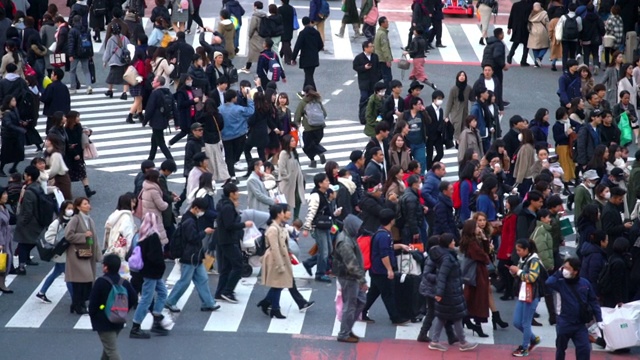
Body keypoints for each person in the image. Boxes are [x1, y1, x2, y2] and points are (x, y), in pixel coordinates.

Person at [164, 198, 220, 314]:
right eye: (201, 210)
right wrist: (205, 232)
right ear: (195, 208)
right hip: (190, 256)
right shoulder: (190, 221)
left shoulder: (190, 218)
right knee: (185, 281)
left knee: (202, 279)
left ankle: (208, 303)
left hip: (195, 256)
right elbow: (192, 238)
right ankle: (170, 301)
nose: (202, 212)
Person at [427, 234, 478, 352]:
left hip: (449, 290)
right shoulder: (447, 258)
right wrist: (439, 293)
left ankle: (435, 341)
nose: (454, 242)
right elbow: (442, 276)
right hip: (450, 291)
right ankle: (463, 342)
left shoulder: (443, 255)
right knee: (457, 317)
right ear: (449, 243)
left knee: (442, 317)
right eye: (453, 241)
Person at [545, 257, 603, 360]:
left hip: (580, 324)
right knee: (560, 349)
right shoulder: (560, 283)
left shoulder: (585, 284)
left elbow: (593, 301)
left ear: (575, 271)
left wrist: (599, 319)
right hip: (564, 322)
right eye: (563, 268)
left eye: (567, 268)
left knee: (584, 349)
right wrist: (558, 272)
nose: (564, 271)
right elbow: (549, 282)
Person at [361, 208, 411, 325]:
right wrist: (389, 270)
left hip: (376, 269)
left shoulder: (381, 232)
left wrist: (400, 246)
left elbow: (387, 248)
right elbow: (384, 254)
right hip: (381, 270)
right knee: (388, 294)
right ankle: (395, 317)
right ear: (391, 221)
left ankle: (362, 311)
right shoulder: (384, 236)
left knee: (374, 292)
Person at [128, 212, 172, 339]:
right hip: (152, 273)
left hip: (150, 272)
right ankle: (136, 326)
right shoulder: (153, 237)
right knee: (146, 299)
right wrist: (161, 265)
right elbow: (154, 257)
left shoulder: (142, 235)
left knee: (163, 293)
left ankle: (157, 318)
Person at [88, 254, 138, 359]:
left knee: (111, 350)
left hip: (103, 321)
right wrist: (122, 309)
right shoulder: (124, 282)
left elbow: (93, 304)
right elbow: (134, 298)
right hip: (118, 319)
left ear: (106, 267)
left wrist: (95, 314)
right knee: (108, 348)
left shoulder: (101, 282)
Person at [215, 182, 254, 303]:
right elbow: (229, 225)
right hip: (229, 240)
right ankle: (228, 291)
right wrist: (244, 224)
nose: (238, 194)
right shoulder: (228, 207)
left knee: (226, 267)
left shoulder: (224, 203)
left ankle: (220, 292)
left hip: (224, 239)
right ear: (231, 194)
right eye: (236, 192)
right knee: (238, 266)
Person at [332, 214, 367, 343]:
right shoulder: (345, 242)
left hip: (352, 277)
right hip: (349, 277)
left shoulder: (349, 237)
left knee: (360, 301)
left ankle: (347, 329)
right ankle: (344, 333)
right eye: (357, 227)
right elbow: (351, 264)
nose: (359, 230)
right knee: (350, 305)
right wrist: (362, 280)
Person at [65, 197, 102, 315]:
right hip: (76, 254)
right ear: (78, 207)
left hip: (86, 253)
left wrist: (97, 253)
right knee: (82, 280)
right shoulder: (75, 219)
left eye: (88, 203)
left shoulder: (89, 219)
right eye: (85, 204)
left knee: (85, 280)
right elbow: (68, 235)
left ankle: (77, 304)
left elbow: (94, 238)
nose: (88, 206)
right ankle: (78, 304)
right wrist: (83, 235)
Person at [255, 204, 292, 319]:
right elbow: (275, 248)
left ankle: (268, 303)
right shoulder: (273, 229)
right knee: (278, 284)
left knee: (279, 285)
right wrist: (280, 265)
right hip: (275, 259)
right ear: (278, 214)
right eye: (283, 212)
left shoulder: (280, 226)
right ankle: (274, 308)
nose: (285, 213)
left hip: (282, 258)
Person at [508, 239, 543, 357]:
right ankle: (533, 339)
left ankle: (525, 347)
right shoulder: (523, 259)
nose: (517, 252)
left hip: (532, 295)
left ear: (526, 250)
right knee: (517, 322)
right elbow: (521, 273)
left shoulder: (534, 261)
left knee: (525, 322)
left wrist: (518, 271)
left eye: (519, 250)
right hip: (523, 294)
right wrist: (514, 272)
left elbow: (532, 278)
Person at [36, 200, 75, 303]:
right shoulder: (57, 222)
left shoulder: (72, 220)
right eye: (68, 208)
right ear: (63, 210)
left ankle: (41, 292)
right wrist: (60, 243)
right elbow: (48, 237)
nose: (71, 210)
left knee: (55, 273)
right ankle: (74, 300)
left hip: (65, 254)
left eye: (72, 208)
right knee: (69, 277)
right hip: (60, 254)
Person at [13, 166, 47, 275]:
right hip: (39, 220)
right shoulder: (38, 187)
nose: (24, 175)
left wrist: (21, 223)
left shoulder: (28, 191)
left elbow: (28, 211)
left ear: (29, 176)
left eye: (25, 174)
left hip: (30, 223)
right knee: (31, 242)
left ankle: (21, 267)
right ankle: (27, 259)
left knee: (23, 244)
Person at [301, 173, 336, 282]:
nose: (328, 182)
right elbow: (311, 212)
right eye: (326, 181)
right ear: (320, 183)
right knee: (324, 251)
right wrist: (306, 228)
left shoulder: (324, 193)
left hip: (326, 225)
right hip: (318, 226)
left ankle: (309, 263)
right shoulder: (315, 196)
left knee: (328, 249)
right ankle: (320, 274)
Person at [64, 111, 97, 197]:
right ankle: (66, 191)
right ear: (72, 119)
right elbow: (68, 144)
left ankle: (87, 189)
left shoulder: (78, 126)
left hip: (79, 152)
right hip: (70, 155)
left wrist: (88, 132)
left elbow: (81, 137)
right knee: (69, 174)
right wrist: (74, 154)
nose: (79, 118)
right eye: (77, 117)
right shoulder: (66, 130)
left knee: (82, 171)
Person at [294, 85, 327, 167]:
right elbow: (324, 114)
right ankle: (315, 159)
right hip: (320, 128)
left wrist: (297, 124)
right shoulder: (318, 101)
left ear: (305, 92)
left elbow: (297, 115)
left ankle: (315, 157)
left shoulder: (303, 102)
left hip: (308, 128)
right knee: (314, 144)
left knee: (306, 146)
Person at [145, 76, 175, 161]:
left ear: (158, 83)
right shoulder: (168, 92)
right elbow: (174, 107)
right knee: (154, 140)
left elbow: (150, 108)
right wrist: (177, 121)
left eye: (154, 80)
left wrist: (145, 120)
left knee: (161, 143)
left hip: (156, 121)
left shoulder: (155, 93)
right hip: (164, 120)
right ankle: (150, 158)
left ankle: (170, 160)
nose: (152, 82)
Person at [292, 17, 323, 95]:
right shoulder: (316, 32)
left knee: (308, 75)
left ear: (303, 24)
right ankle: (304, 91)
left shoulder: (303, 33)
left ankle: (314, 92)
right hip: (314, 57)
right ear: (310, 22)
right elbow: (321, 45)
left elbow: (297, 46)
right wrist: (315, 51)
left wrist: (293, 58)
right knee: (309, 74)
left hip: (305, 57)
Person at [353, 40, 380, 124]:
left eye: (372, 46)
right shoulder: (359, 57)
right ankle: (362, 117)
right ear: (365, 48)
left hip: (373, 82)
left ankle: (373, 117)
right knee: (364, 99)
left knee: (373, 100)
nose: (372, 48)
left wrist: (378, 77)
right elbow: (355, 67)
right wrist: (364, 67)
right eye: (371, 46)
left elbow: (378, 68)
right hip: (364, 82)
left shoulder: (375, 56)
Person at [278, 134, 305, 219]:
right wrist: (287, 177)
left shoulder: (293, 152)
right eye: (292, 141)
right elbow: (281, 167)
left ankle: (296, 218)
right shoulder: (284, 153)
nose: (294, 142)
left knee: (298, 198)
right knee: (286, 201)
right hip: (288, 182)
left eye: (294, 140)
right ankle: (284, 218)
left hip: (297, 180)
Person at [0, 95, 25, 176]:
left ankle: (13, 168)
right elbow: (8, 124)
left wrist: (21, 122)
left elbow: (17, 120)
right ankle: (1, 169)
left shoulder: (15, 109)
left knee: (20, 152)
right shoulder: (7, 113)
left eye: (15, 100)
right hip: (8, 135)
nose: (15, 102)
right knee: (6, 154)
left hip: (16, 135)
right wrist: (19, 129)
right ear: (9, 102)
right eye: (13, 101)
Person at [40, 68, 71, 134]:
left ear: (55, 76)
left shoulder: (51, 86)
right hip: (62, 113)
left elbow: (45, 99)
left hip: (52, 113)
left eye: (52, 74)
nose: (51, 75)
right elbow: (68, 100)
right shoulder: (64, 87)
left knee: (50, 131)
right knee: (60, 130)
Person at [445, 71, 473, 141]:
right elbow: (449, 103)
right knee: (457, 132)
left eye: (463, 75)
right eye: (460, 75)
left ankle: (462, 145)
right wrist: (446, 116)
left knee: (464, 131)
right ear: (457, 77)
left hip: (465, 113)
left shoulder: (468, 88)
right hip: (455, 114)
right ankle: (457, 144)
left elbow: (472, 99)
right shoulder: (453, 89)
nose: (462, 77)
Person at [557, 3, 582, 71]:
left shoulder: (563, 17)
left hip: (565, 38)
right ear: (576, 9)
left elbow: (559, 27)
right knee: (572, 54)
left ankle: (564, 68)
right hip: (574, 38)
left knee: (565, 53)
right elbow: (580, 29)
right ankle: (572, 68)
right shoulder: (578, 18)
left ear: (568, 9)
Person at [425, 90, 446, 169]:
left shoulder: (440, 110)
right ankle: (429, 169)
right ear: (434, 99)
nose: (440, 100)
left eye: (441, 99)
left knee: (440, 153)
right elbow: (426, 122)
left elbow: (439, 121)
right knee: (429, 155)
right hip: (429, 135)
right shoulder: (428, 109)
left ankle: (432, 166)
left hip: (438, 135)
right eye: (439, 98)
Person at [527, 2, 549, 67]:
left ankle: (536, 62)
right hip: (542, 30)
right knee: (545, 46)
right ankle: (539, 57)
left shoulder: (531, 14)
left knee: (534, 47)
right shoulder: (544, 13)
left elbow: (528, 23)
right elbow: (547, 23)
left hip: (533, 30)